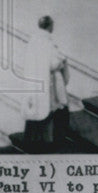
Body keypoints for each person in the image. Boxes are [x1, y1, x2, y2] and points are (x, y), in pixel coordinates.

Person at [20, 15, 69, 152]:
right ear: (49, 25)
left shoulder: (33, 41)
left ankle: (31, 141)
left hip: (34, 83)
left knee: (34, 111)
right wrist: (62, 60)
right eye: (52, 24)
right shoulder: (48, 43)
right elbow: (53, 64)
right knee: (52, 110)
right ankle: (51, 141)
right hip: (49, 83)